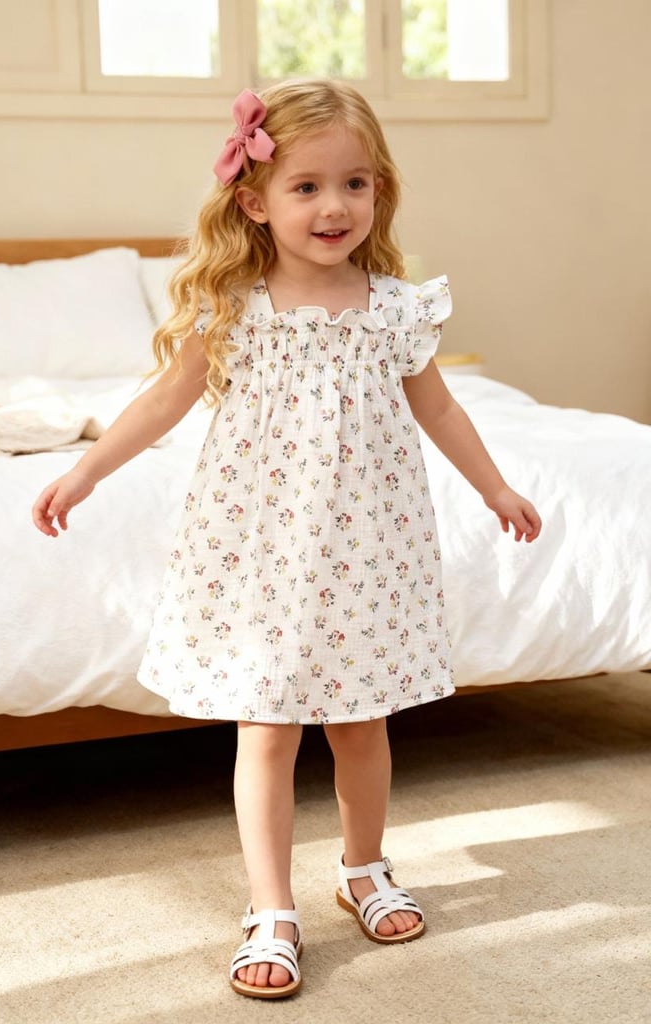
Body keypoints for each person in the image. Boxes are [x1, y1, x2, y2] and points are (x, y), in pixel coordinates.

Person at [32, 79, 541, 1000]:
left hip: (369, 552)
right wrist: (87, 470)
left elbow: (441, 407)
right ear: (253, 199)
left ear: (379, 192)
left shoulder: (397, 309)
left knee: (361, 720)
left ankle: (362, 866)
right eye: (306, 186)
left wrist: (497, 485)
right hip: (260, 551)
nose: (333, 205)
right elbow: (164, 401)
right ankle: (271, 907)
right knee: (265, 729)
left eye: (355, 183)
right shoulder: (233, 307)